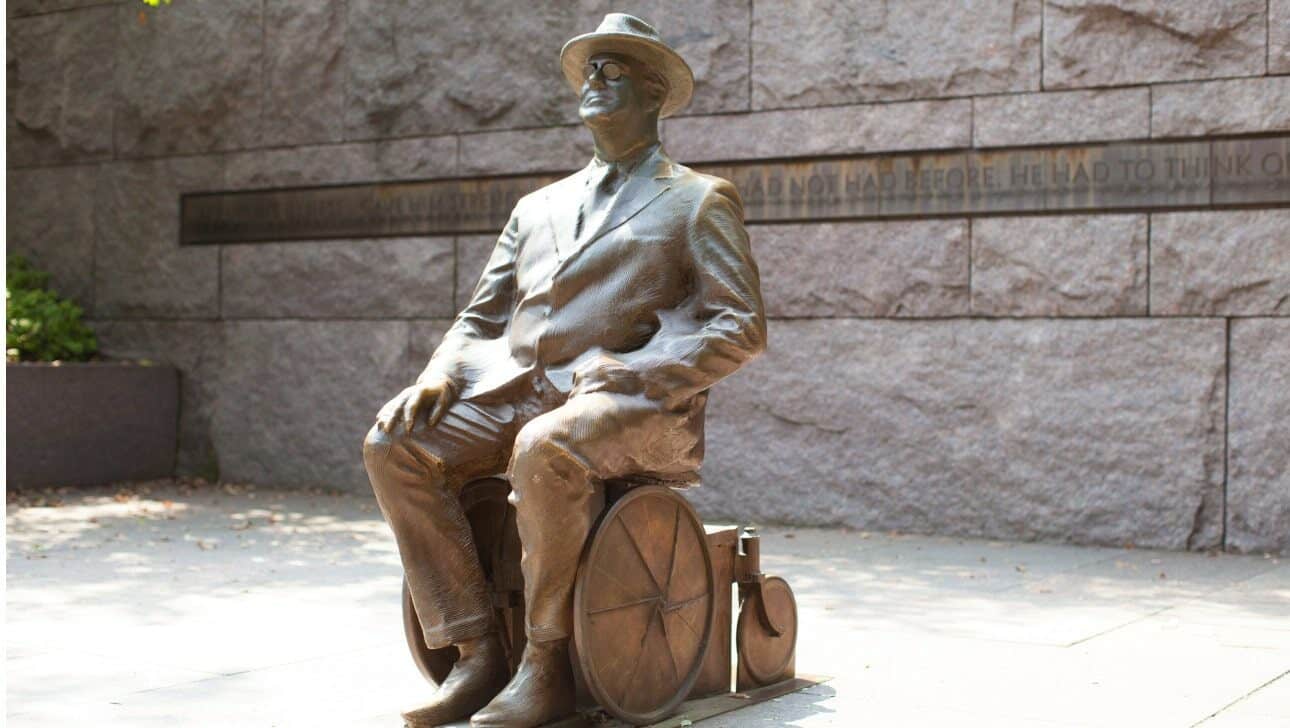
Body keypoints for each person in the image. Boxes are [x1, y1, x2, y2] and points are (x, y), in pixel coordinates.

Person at [363, 13, 766, 728]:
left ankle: (544, 667)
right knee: (394, 446)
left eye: (614, 71)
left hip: (629, 404)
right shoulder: (535, 207)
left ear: (652, 93)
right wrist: (439, 376)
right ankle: (477, 651)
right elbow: (481, 319)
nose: (595, 81)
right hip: (513, 390)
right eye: (590, 71)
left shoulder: (697, 200)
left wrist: (640, 371)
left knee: (545, 446)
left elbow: (741, 326)